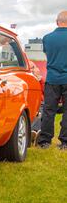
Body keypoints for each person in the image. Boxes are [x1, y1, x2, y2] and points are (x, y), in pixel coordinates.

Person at [37, 11, 67, 150]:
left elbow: (47, 54)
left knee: (49, 110)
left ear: (57, 22)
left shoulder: (47, 38)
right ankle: (65, 142)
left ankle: (44, 141)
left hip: (52, 78)